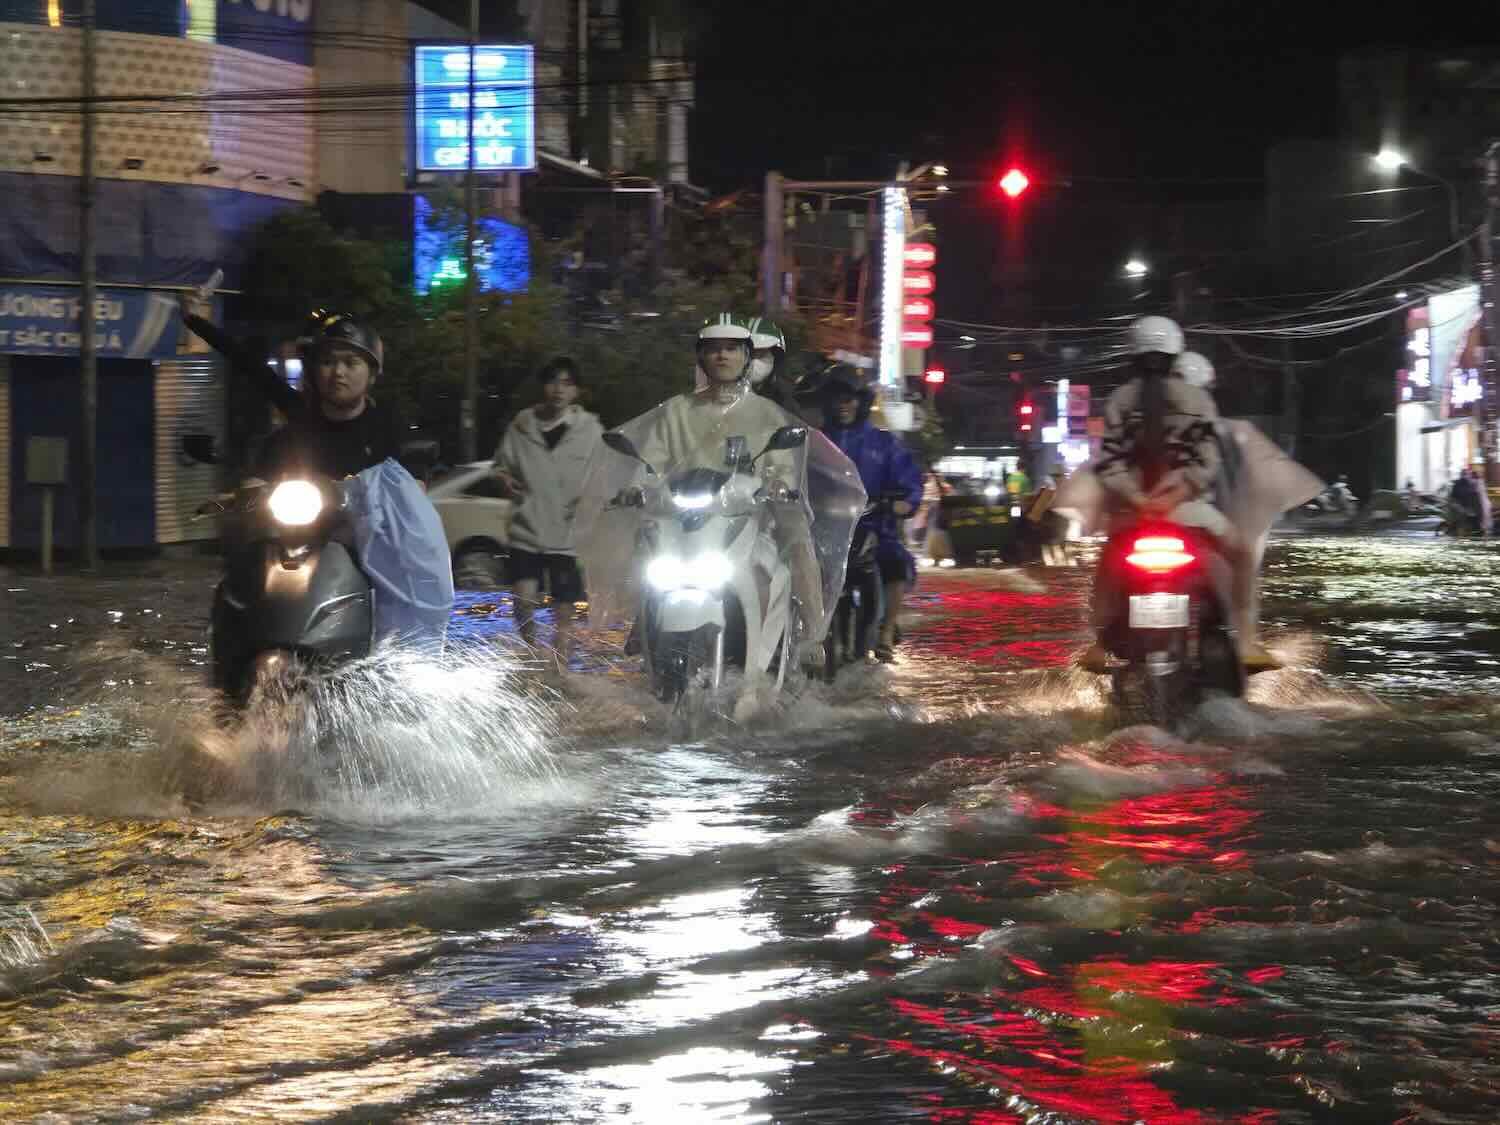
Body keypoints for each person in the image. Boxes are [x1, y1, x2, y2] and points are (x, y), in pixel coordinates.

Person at [592, 314, 839, 664]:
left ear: (745, 357)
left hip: (749, 515)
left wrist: (779, 485)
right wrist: (635, 489)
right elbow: (651, 462)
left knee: (796, 538)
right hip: (685, 516)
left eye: (731, 349)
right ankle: (643, 620)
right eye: (713, 349)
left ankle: (814, 635)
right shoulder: (676, 411)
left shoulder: (769, 414)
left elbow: (782, 463)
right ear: (700, 357)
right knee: (646, 545)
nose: (722, 356)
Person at [1080, 316, 1225, 673]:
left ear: (1133, 355)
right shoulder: (1198, 399)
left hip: (1133, 518)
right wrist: (1176, 496)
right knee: (1235, 553)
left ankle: (1098, 644)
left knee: (1107, 573)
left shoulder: (1119, 400)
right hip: (1188, 512)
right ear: (1176, 355)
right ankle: (1238, 630)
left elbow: (1109, 465)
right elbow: (1208, 463)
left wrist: (1140, 500)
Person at [1172, 349, 1321, 670]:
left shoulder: (1141, 418)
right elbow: (1244, 482)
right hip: (1195, 517)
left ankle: (1100, 641)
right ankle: (1245, 641)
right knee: (1243, 561)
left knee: (1111, 564)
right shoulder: (1221, 429)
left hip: (1142, 520)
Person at [492, 356, 603, 662]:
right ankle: (530, 651)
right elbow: (501, 465)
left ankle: (561, 661)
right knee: (523, 597)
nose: (559, 389)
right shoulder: (522, 426)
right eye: (553, 381)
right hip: (527, 526)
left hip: (567, 531)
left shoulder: (590, 430)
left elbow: (604, 472)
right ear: (543, 386)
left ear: (576, 391)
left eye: (567, 383)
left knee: (564, 605)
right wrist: (505, 480)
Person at [818, 364, 924, 661]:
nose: (844, 404)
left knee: (894, 563)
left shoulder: (884, 443)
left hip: (875, 528)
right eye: (838, 397)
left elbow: (910, 481)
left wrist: (903, 502)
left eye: (850, 398)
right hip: (823, 531)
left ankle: (886, 630)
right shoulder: (814, 440)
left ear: (861, 402)